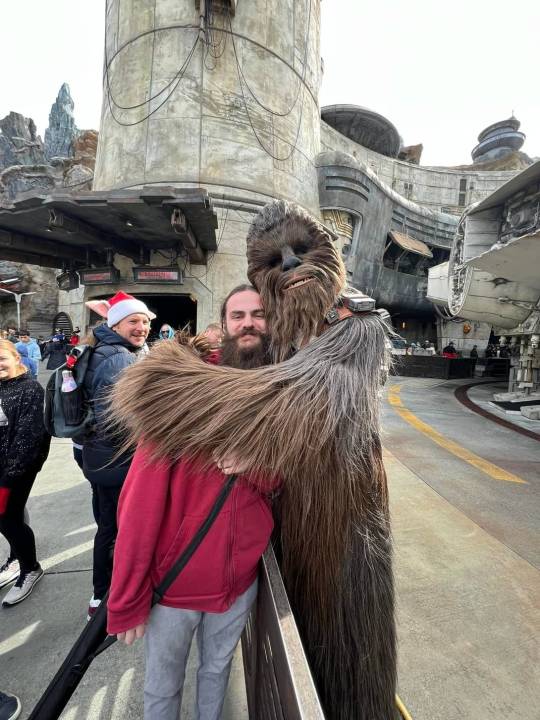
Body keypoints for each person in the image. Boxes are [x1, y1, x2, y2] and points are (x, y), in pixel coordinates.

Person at [107, 285, 274, 720]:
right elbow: (139, 508)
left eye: (259, 314)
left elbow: (282, 483)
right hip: (175, 589)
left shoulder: (277, 395)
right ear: (222, 324)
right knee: (163, 688)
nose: (249, 323)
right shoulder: (178, 395)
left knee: (217, 670)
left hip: (239, 584)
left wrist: (255, 462)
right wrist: (125, 601)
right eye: (238, 315)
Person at [82, 291, 155, 620]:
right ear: (115, 323)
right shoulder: (119, 358)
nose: (141, 327)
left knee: (109, 525)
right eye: (133, 322)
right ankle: (105, 597)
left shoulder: (113, 349)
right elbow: (115, 418)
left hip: (104, 456)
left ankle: (104, 594)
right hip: (117, 459)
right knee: (115, 528)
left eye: (144, 321)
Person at [0, 341, 50, 607]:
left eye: (1, 358)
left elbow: (29, 437)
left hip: (18, 468)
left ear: (16, 357)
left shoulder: (29, 388)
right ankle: (16, 559)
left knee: (6, 518)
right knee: (10, 516)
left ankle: (30, 568)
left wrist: (10, 475)